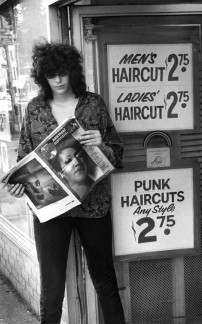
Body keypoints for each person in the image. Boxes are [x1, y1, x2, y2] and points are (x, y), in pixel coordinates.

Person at [5, 40, 125, 324]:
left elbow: (117, 155)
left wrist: (102, 145)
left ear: (73, 72)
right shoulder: (35, 109)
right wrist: (18, 184)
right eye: (50, 74)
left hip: (93, 206)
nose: (58, 79)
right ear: (42, 77)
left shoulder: (93, 104)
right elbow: (25, 158)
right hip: (51, 209)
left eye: (62, 72)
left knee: (105, 280)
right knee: (52, 287)